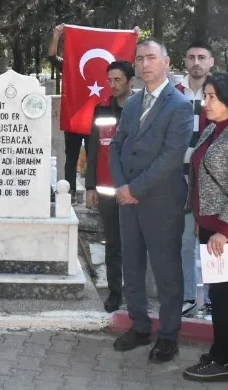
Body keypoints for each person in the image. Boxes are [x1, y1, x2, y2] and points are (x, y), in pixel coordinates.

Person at [110, 39, 194, 363]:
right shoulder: (132, 103)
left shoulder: (180, 106)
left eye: (151, 58)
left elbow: (171, 158)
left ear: (166, 62)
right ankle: (140, 325)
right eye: (140, 58)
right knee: (131, 265)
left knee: (166, 269)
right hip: (128, 199)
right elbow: (116, 145)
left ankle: (169, 335)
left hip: (160, 201)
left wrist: (135, 188)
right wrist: (121, 185)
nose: (145, 64)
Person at [181, 73, 228, 382]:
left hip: (226, 231)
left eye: (213, 97)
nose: (206, 102)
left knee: (223, 293)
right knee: (224, 291)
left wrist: (223, 233)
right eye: (206, 96)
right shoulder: (213, 129)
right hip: (210, 225)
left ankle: (221, 359)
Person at [48, 23, 138, 199]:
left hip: (102, 116)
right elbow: (52, 57)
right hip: (76, 117)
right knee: (71, 157)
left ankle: (95, 191)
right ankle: (70, 192)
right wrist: (57, 35)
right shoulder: (71, 65)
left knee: (96, 155)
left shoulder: (110, 69)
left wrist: (133, 39)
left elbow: (129, 62)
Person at [85, 60, 135, 313]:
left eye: (118, 80)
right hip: (106, 190)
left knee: (134, 244)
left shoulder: (142, 109)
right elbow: (92, 148)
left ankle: (136, 293)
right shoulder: (101, 108)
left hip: (136, 190)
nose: (113, 85)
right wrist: (90, 186)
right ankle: (115, 293)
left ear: (130, 81)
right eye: (110, 80)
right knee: (113, 244)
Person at [175, 41, 214, 317]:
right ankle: (188, 296)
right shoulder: (174, 92)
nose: (196, 62)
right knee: (185, 240)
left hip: (213, 178)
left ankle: (214, 299)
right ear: (184, 61)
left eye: (202, 57)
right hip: (181, 176)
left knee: (212, 240)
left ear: (211, 62)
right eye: (191, 57)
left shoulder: (219, 91)